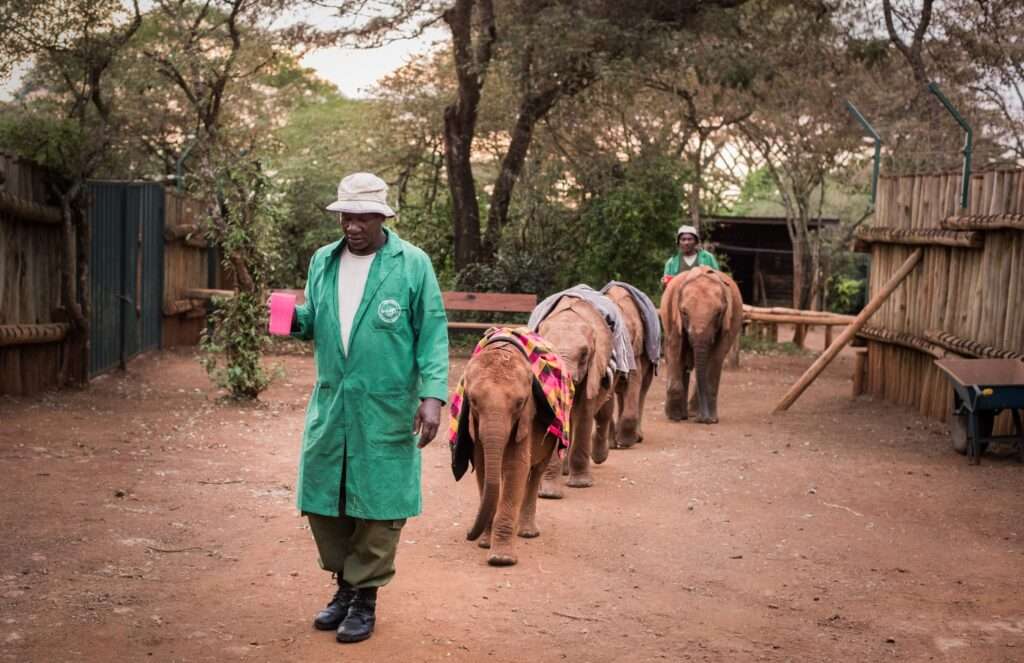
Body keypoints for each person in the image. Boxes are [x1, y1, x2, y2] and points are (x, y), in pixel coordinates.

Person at [286, 172, 449, 644]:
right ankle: (343, 587)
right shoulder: (323, 261)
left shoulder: (412, 264)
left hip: (385, 405)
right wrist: (288, 319)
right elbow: (314, 319)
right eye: (345, 216)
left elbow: (433, 332)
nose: (352, 226)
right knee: (327, 498)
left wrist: (433, 396)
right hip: (332, 402)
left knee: (379, 503)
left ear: (382, 217)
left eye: (362, 217)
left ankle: (366, 599)